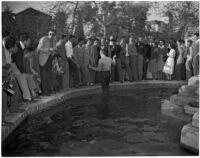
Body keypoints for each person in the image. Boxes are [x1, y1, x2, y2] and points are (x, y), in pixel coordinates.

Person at [11, 33, 37, 101]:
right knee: (22, 79)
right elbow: (18, 62)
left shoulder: (21, 46)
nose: (29, 43)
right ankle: (27, 98)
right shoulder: (17, 46)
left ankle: (31, 95)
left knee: (28, 77)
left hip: (15, 65)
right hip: (12, 64)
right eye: (29, 41)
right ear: (25, 41)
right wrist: (22, 72)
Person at [37, 29, 57, 95]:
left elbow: (54, 49)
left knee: (49, 75)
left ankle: (49, 90)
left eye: (53, 34)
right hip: (43, 60)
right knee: (43, 76)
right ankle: (45, 91)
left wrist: (54, 52)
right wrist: (48, 49)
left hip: (50, 59)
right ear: (48, 33)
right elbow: (39, 49)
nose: (51, 35)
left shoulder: (54, 40)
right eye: (50, 34)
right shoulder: (43, 39)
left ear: (54, 35)